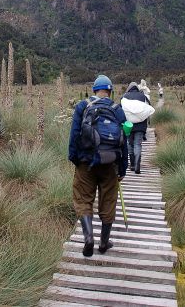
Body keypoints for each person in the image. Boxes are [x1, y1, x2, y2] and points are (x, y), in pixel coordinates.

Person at [68, 74, 128, 257]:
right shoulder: (118, 110)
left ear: (94, 90)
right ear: (110, 91)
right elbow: (123, 141)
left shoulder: (82, 106)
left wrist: (74, 158)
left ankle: (88, 238)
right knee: (108, 202)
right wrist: (123, 168)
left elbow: (74, 134)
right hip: (110, 164)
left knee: (83, 199)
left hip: (86, 162)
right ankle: (103, 243)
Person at [122, 82, 152, 174]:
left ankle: (132, 164)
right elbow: (148, 110)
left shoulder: (124, 96)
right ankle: (137, 163)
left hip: (128, 125)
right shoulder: (143, 96)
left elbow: (121, 110)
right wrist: (148, 122)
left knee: (129, 143)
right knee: (138, 144)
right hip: (141, 125)